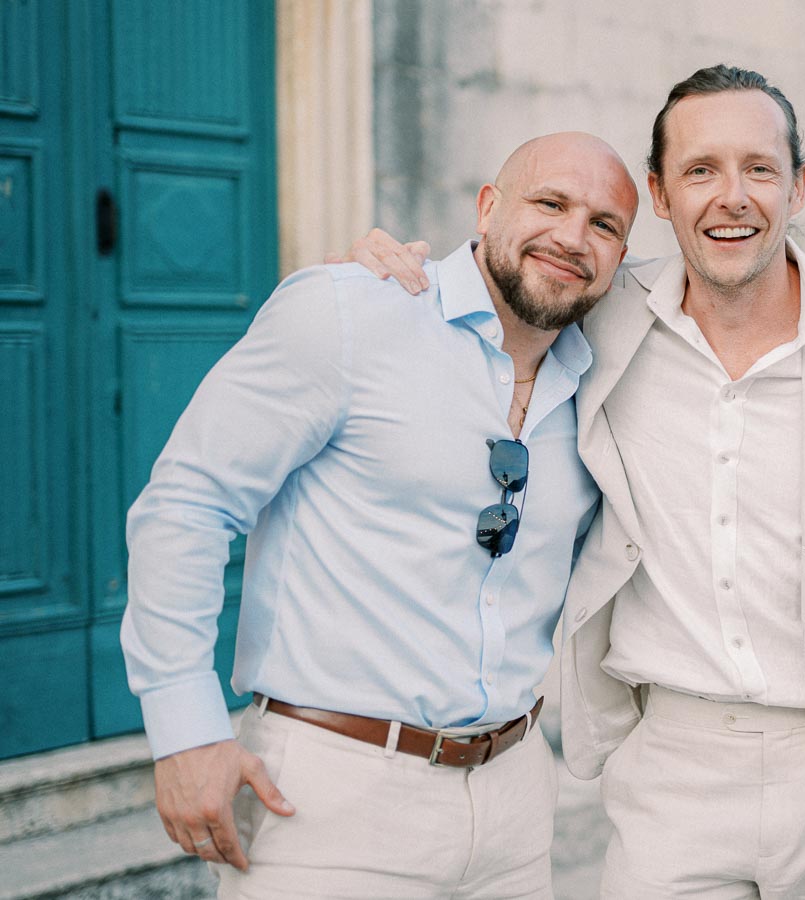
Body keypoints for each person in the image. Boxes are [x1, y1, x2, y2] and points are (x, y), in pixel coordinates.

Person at [353, 64, 805, 899]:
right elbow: (502, 281)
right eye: (700, 170)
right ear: (658, 193)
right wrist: (382, 281)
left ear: (798, 186)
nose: (733, 197)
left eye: (759, 168)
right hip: (670, 774)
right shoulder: (604, 312)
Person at [121, 132, 639, 898]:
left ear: (623, 258)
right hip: (331, 798)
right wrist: (186, 730)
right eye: (550, 203)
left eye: (604, 225)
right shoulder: (349, 312)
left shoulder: (610, 375)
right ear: (488, 208)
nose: (572, 236)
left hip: (517, 808)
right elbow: (187, 504)